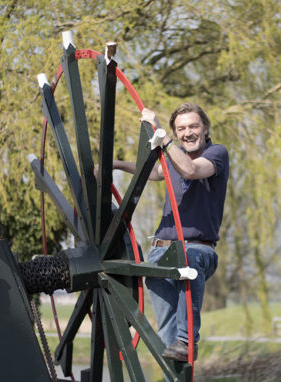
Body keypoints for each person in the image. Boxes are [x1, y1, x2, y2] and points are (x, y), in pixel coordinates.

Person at [110, 103, 229, 362]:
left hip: (197, 248)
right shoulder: (173, 158)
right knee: (167, 336)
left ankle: (188, 341)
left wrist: (164, 138)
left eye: (193, 126)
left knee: (189, 259)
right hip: (161, 251)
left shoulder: (216, 154)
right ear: (176, 133)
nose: (188, 132)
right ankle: (174, 365)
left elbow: (191, 170)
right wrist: (115, 165)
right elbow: (154, 172)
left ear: (205, 129)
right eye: (181, 128)